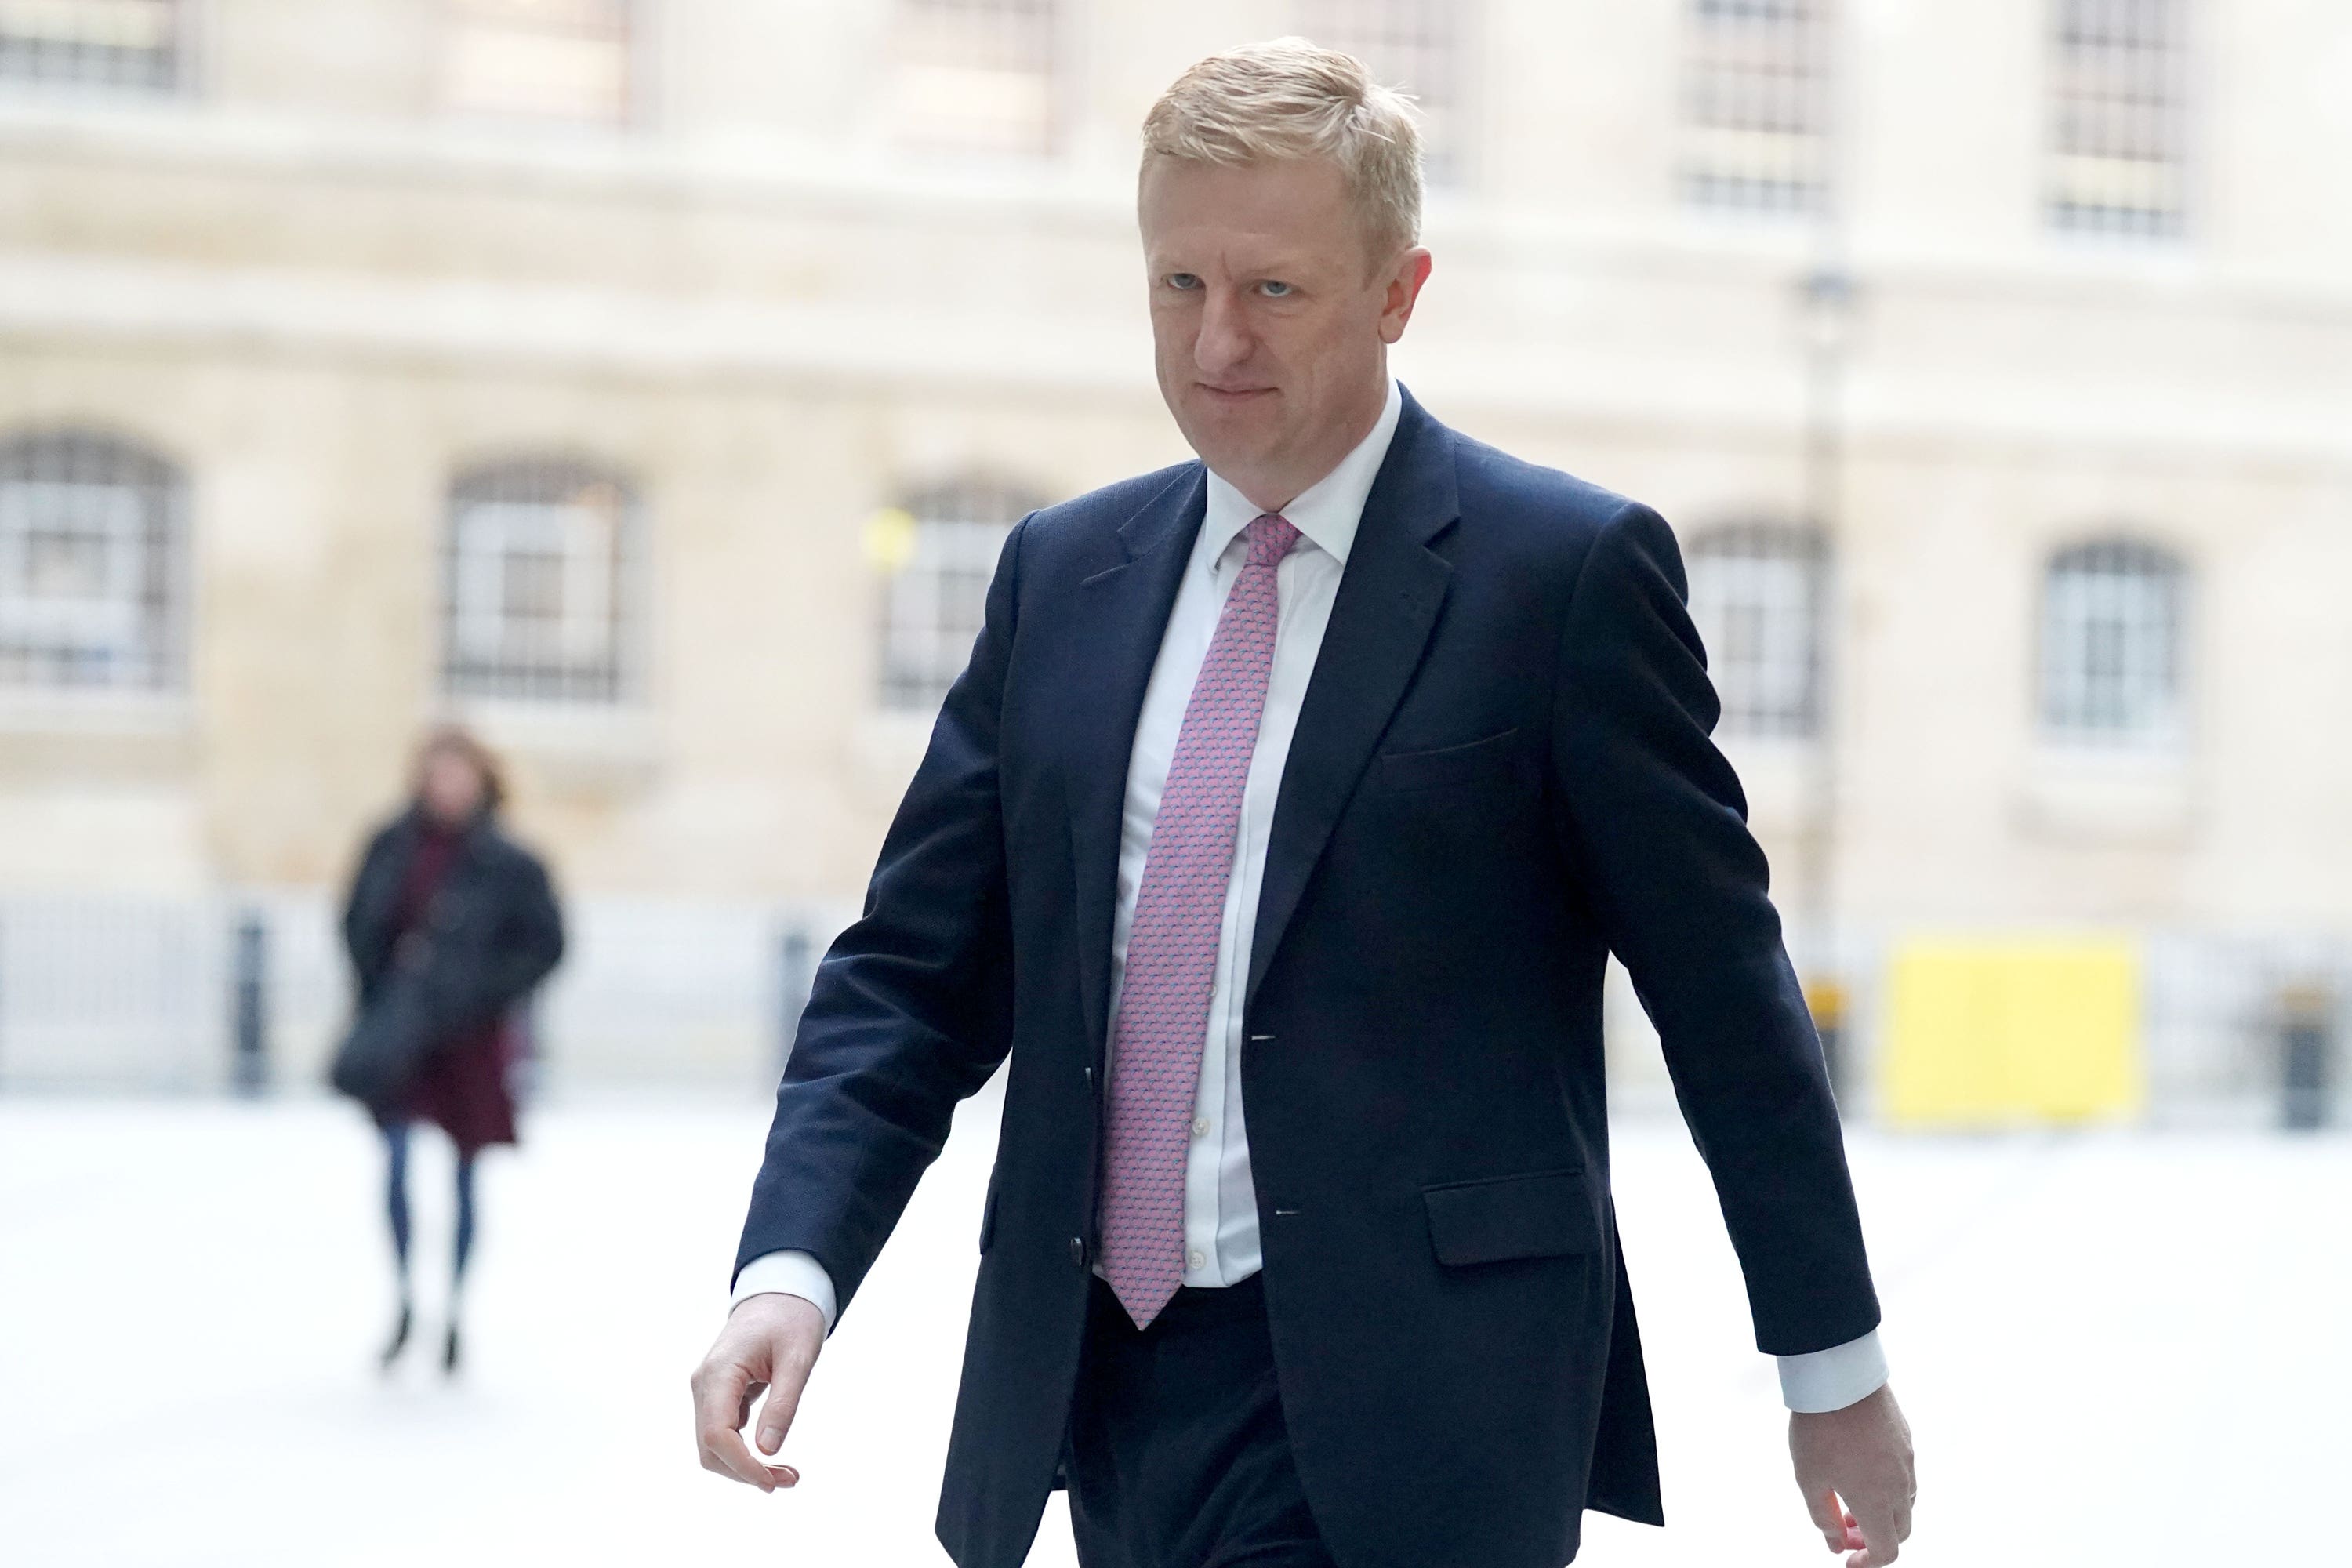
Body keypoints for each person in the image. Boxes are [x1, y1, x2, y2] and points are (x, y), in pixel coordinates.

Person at [692, 39, 1916, 1568]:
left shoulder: (1564, 580)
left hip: (1427, 1400)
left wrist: (1830, 1365)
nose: (1216, 342)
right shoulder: (1062, 578)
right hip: (1099, 1389)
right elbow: (914, 973)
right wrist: (789, 1269)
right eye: (1176, 285)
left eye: (1272, 290)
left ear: (1400, 293)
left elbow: (1726, 996)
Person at [340, 725, 563, 1374]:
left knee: (465, 1174)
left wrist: (483, 993)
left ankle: (456, 1309)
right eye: (438, 776)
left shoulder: (509, 860)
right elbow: (356, 923)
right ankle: (405, 1298)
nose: (447, 788)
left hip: (471, 1037)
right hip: (404, 1034)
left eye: (459, 776)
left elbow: (545, 944)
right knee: (397, 1162)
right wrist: (388, 987)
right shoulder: (391, 845)